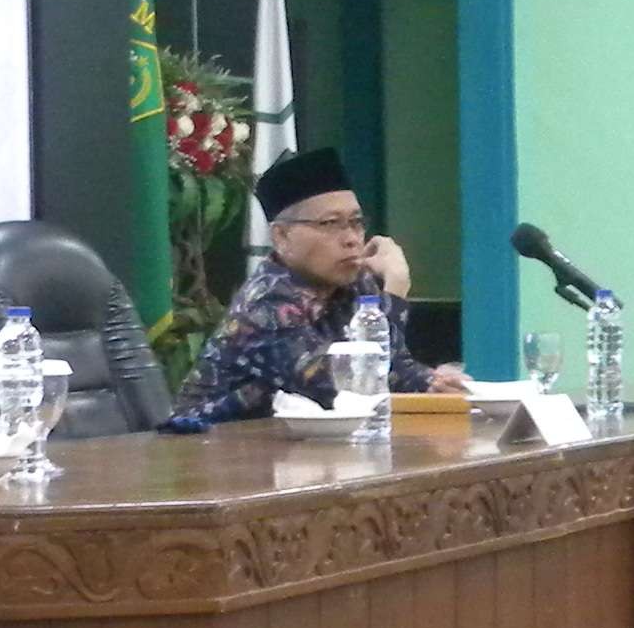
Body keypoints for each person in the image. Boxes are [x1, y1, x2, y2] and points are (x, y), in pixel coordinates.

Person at [164, 145, 468, 430]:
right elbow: (346, 386)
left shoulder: (355, 284)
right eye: (330, 223)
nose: (351, 238)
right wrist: (396, 291)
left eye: (357, 222)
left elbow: (395, 368)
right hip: (212, 459)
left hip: (293, 455)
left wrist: (433, 382)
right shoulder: (265, 305)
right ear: (282, 237)